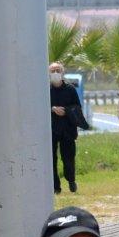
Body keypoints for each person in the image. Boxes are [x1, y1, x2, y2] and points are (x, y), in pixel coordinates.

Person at [49, 62, 80, 194]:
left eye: (58, 70)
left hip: (68, 129)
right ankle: (56, 187)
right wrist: (53, 109)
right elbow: (39, 107)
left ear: (62, 72)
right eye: (53, 71)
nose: (55, 73)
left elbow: (77, 107)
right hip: (51, 129)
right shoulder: (46, 90)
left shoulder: (70, 89)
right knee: (51, 159)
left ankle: (71, 180)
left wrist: (66, 111)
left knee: (68, 158)